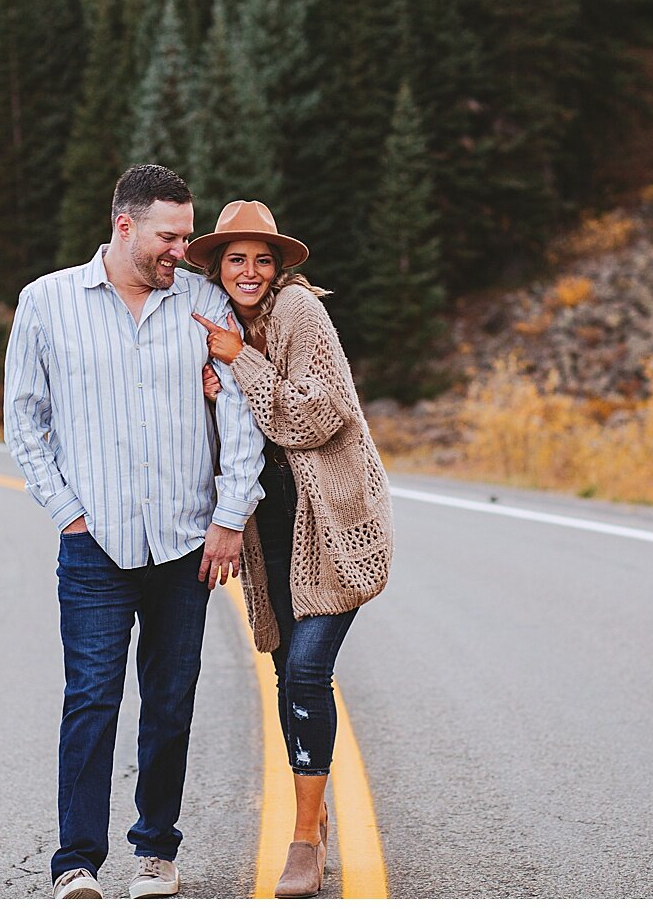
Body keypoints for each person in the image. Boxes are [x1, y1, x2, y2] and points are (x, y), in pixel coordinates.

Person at [4, 165, 265, 900]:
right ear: (125, 225)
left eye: (186, 235)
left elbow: (241, 411)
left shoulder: (204, 301)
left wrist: (228, 516)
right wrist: (69, 515)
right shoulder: (48, 302)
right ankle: (77, 863)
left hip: (186, 543)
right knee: (91, 695)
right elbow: (25, 420)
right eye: (169, 235)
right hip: (95, 545)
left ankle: (155, 849)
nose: (181, 249)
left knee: (173, 697)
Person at [185, 200, 393, 899]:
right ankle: (316, 811)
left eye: (262, 258)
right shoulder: (217, 328)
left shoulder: (299, 314)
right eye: (236, 258)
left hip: (331, 523)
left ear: (279, 268)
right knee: (287, 674)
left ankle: (304, 838)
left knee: (306, 671)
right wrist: (212, 388)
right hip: (268, 530)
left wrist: (236, 361)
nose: (249, 270)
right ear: (218, 266)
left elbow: (314, 412)